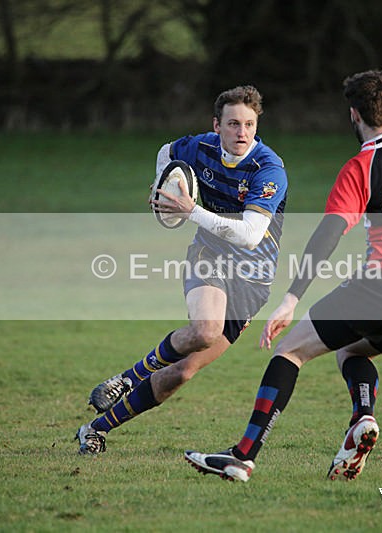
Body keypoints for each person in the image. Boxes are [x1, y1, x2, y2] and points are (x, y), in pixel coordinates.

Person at [184, 40, 382, 482]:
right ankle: (362, 417)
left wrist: (291, 298)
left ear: (353, 115)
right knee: (350, 349)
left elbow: (327, 236)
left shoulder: (360, 168)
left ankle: (242, 457)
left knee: (290, 351)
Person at [76, 85, 288, 454]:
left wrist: (191, 211)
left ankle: (94, 429)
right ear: (216, 125)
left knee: (182, 372)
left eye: (249, 125)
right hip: (210, 255)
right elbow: (167, 152)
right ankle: (126, 379)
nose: (242, 132)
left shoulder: (268, 169)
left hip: (252, 282)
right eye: (233, 124)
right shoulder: (200, 147)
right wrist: (163, 187)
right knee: (206, 330)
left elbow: (251, 235)